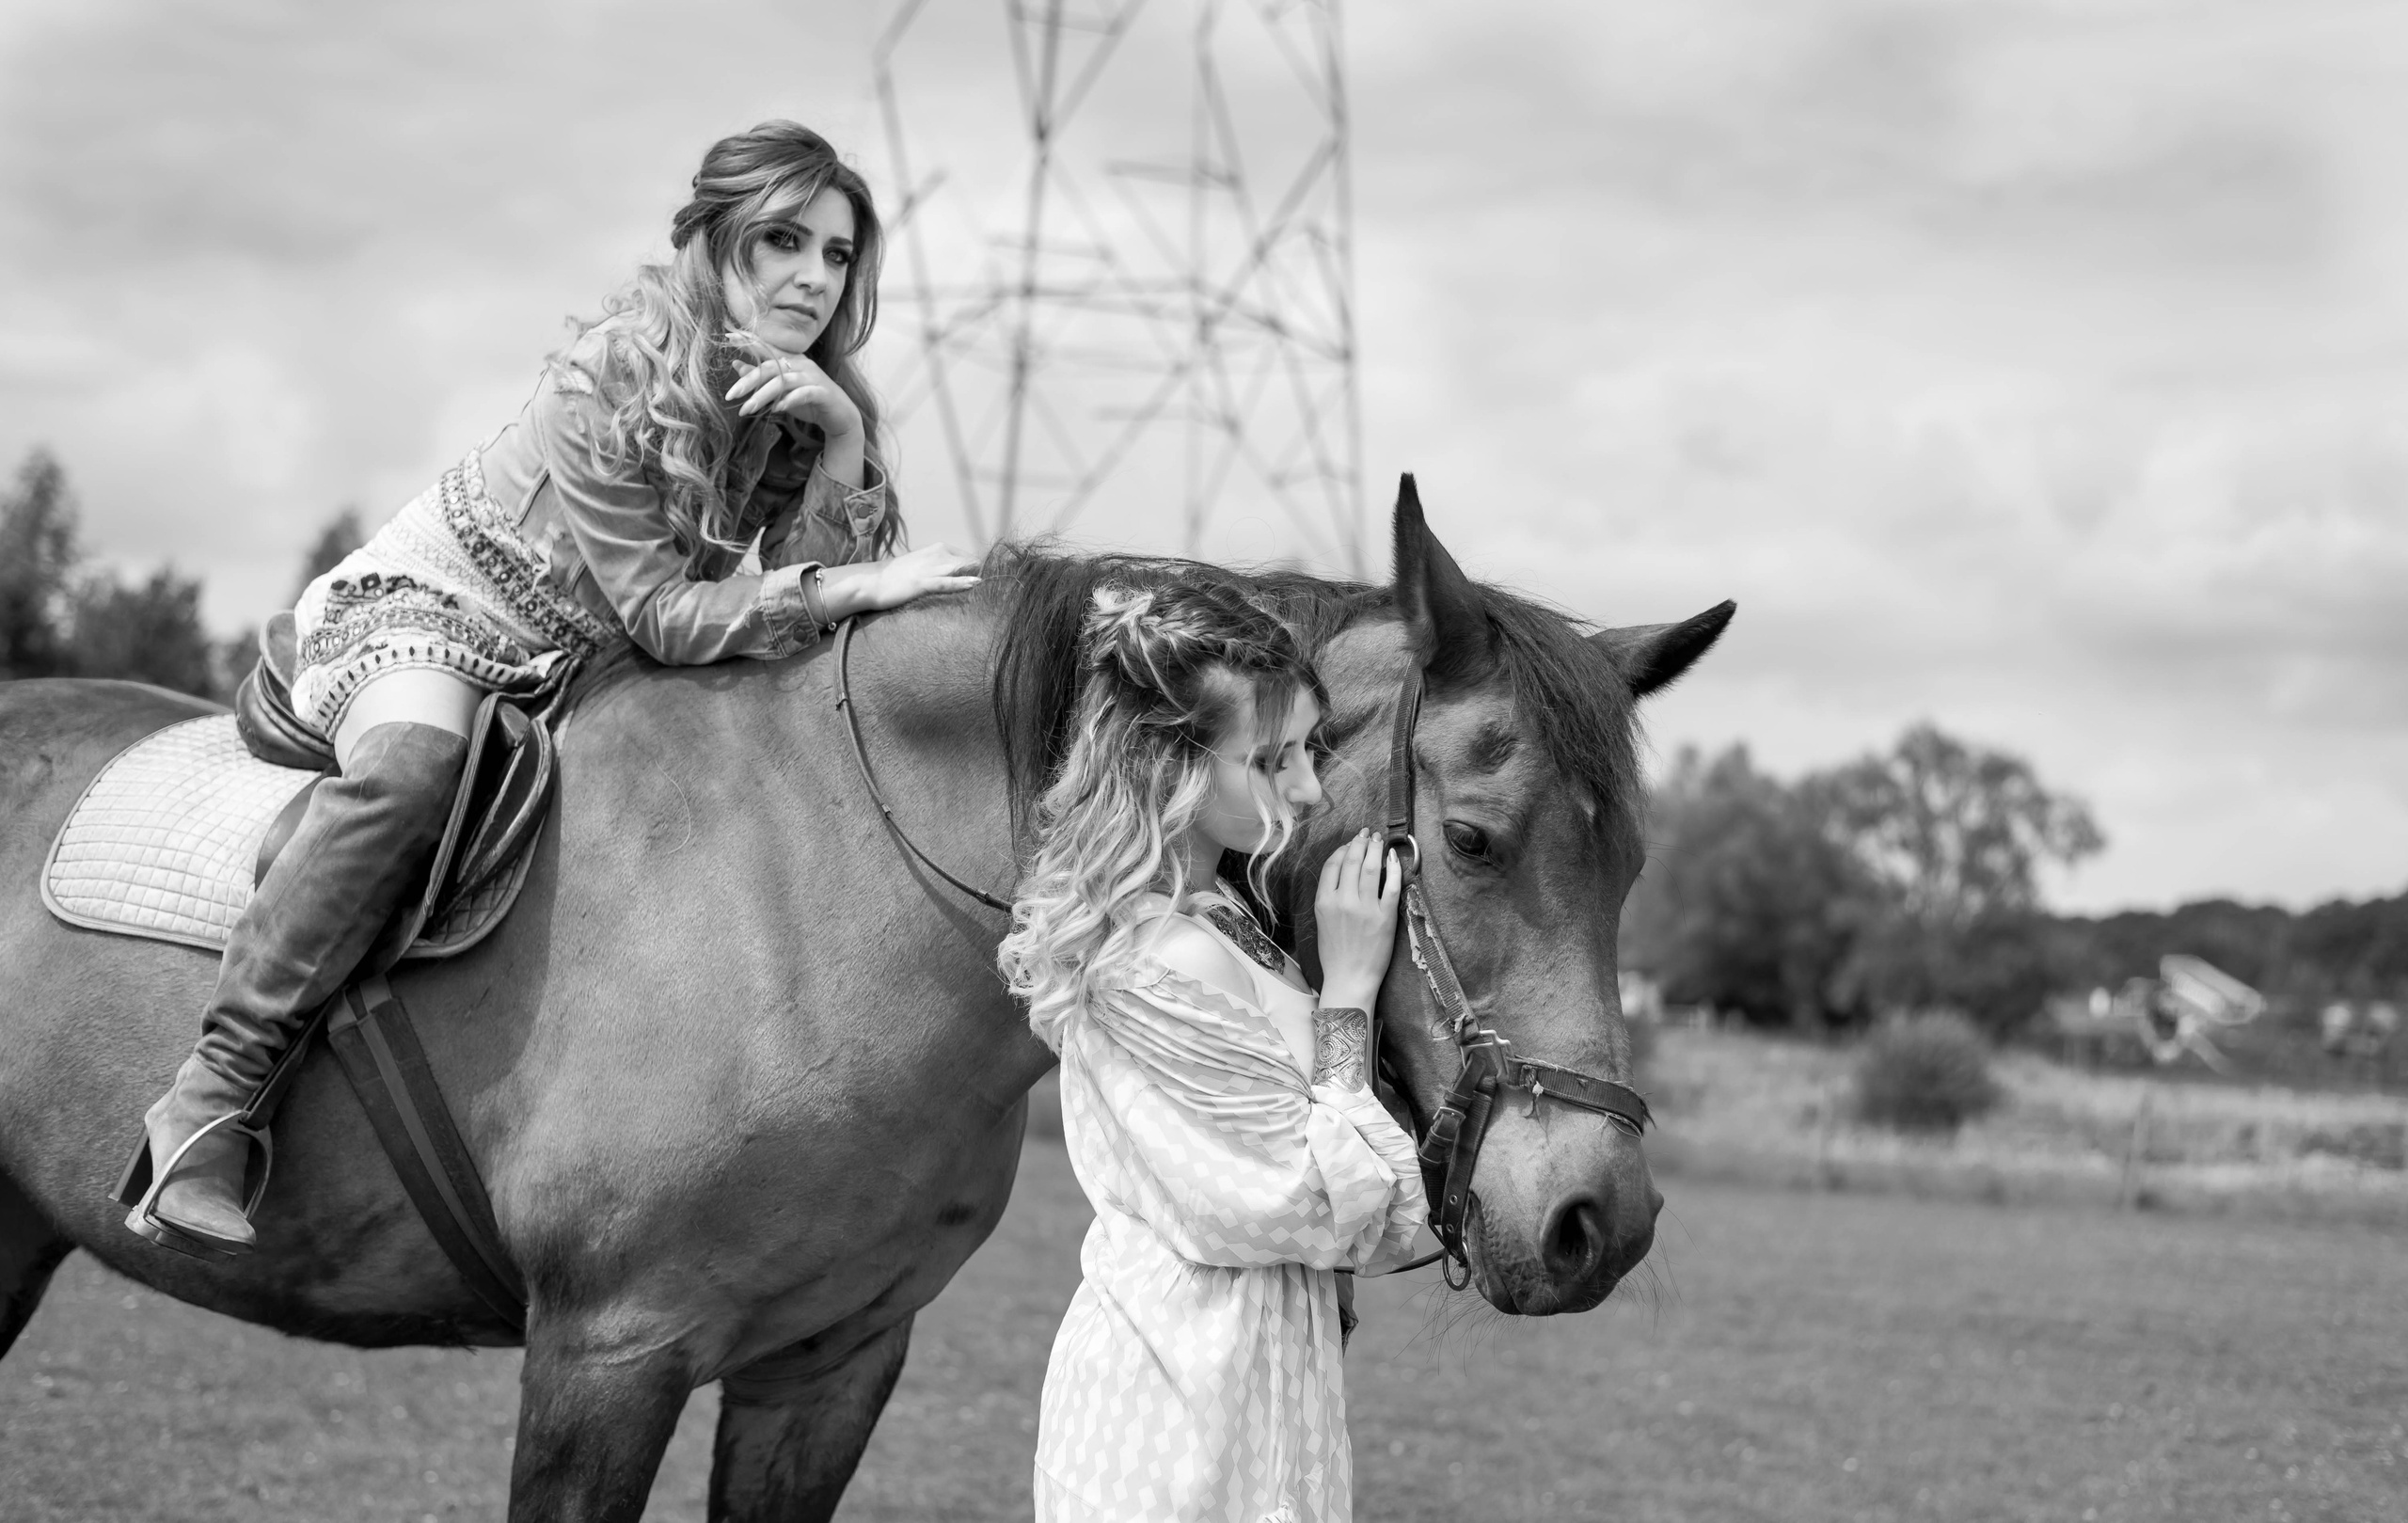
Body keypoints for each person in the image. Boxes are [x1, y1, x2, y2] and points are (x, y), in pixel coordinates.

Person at [123, 120, 978, 1260]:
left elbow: (794, 631)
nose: (814, 279)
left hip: (584, 668)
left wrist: (839, 438)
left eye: (836, 256)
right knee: (418, 765)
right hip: (438, 614)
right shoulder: (608, 376)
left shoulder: (796, 400)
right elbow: (677, 613)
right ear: (715, 241)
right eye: (783, 241)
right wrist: (848, 584)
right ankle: (211, 1099)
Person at [1000, 578, 1428, 1522]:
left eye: (1307, 749)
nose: (1307, 788)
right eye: (1269, 760)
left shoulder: (1226, 918)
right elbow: (1317, 1202)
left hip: (1246, 1396)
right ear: (1169, 768)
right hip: (1173, 1425)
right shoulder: (1163, 958)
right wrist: (1349, 990)